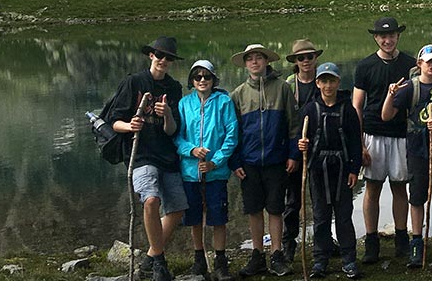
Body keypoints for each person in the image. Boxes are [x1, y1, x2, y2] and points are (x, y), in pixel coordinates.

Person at [106, 36, 187, 281]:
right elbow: (113, 121)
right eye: (159, 55)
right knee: (151, 201)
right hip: (140, 155)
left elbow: (173, 130)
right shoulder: (133, 82)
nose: (163, 60)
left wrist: (168, 115)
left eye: (168, 58)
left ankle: (151, 256)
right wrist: (130, 126)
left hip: (167, 155)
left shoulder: (174, 88)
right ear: (151, 55)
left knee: (178, 209)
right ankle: (160, 263)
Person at [381, 44, 432, 268]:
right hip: (417, 151)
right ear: (420, 64)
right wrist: (390, 96)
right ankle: (416, 240)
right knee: (416, 197)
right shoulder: (409, 88)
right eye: (428, 62)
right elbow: (386, 116)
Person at [229, 43, 301, 277]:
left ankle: (277, 254)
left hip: (277, 160)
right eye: (250, 59)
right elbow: (233, 132)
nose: (255, 62)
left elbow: (294, 125)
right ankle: (257, 254)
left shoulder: (282, 89)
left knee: (276, 208)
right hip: (248, 162)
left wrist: (292, 154)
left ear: (266, 61)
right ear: (246, 63)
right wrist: (235, 161)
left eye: (259, 58)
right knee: (253, 209)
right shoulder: (238, 94)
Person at [351, 16, 417, 263]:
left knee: (400, 187)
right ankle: (371, 240)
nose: (387, 40)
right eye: (382, 36)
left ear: (398, 36)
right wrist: (359, 144)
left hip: (402, 133)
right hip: (373, 133)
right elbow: (357, 106)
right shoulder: (365, 66)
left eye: (391, 36)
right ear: (376, 38)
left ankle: (402, 237)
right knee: (373, 187)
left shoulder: (411, 65)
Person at [296, 63, 362, 279]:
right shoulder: (309, 110)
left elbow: (355, 142)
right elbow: (300, 138)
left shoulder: (348, 109)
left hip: (342, 169)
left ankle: (349, 259)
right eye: (323, 81)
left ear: (338, 82)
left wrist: (354, 169)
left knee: (344, 215)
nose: (328, 85)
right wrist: (301, 146)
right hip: (317, 170)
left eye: (331, 80)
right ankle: (320, 261)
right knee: (321, 216)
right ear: (318, 83)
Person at [174, 60, 238, 281]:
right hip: (190, 172)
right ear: (192, 80)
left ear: (213, 79)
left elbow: (231, 137)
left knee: (217, 217)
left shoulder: (224, 102)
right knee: (194, 217)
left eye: (206, 76)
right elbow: (177, 136)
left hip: (216, 173)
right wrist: (191, 150)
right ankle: (199, 258)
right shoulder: (184, 104)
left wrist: (215, 162)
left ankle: (220, 260)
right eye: (197, 77)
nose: (202, 80)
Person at [283, 39, 323, 263]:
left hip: (320, 149)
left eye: (310, 57)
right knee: (292, 201)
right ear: (295, 62)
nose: (306, 61)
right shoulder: (288, 85)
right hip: (295, 149)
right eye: (301, 58)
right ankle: (289, 242)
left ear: (316, 58)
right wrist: (292, 154)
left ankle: (322, 241)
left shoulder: (324, 80)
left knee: (320, 198)